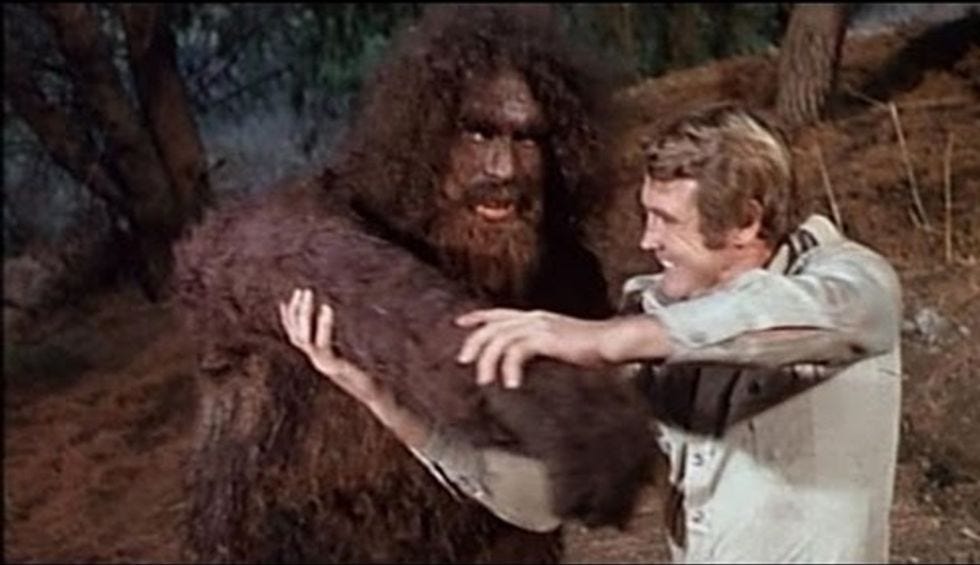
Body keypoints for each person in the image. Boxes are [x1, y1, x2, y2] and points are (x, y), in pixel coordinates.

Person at [282, 102, 903, 562]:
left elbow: (790, 315)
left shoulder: (850, 281)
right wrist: (384, 401)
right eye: (645, 215)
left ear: (744, 221)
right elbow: (540, 498)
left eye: (666, 220)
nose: (647, 240)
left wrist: (600, 339)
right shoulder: (657, 324)